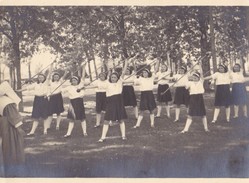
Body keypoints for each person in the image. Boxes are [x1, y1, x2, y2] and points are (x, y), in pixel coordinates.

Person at [98, 59, 130, 142]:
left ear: (117, 78)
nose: (113, 78)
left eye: (115, 77)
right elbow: (108, 72)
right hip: (110, 102)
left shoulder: (120, 82)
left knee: (121, 120)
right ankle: (102, 137)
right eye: (112, 77)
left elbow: (123, 72)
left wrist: (126, 62)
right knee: (106, 120)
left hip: (119, 102)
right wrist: (107, 65)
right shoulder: (107, 83)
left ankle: (123, 136)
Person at [16, 63, 53, 135]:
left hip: (44, 99)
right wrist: (19, 90)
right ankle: (32, 131)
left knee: (45, 116)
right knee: (36, 116)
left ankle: (45, 130)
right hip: (37, 100)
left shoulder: (46, 83)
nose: (40, 78)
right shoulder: (35, 84)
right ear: (38, 78)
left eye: (42, 77)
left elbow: (49, 75)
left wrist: (51, 65)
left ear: (44, 78)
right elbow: (27, 88)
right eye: (39, 77)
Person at [0, 81, 25, 176]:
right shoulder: (7, 102)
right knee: (12, 146)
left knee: (5, 147)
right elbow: (14, 117)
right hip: (10, 126)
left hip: (3, 125)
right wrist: (20, 129)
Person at [180, 64, 209, 133]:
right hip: (192, 98)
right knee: (190, 114)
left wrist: (200, 66)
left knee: (203, 114)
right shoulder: (190, 83)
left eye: (196, 77)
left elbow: (201, 74)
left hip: (199, 98)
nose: (194, 78)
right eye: (193, 77)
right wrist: (187, 77)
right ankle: (185, 129)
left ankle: (206, 128)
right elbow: (186, 85)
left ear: (198, 78)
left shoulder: (201, 82)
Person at [62, 62, 88, 138]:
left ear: (77, 81)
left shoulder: (80, 85)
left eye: (75, 80)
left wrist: (83, 67)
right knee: (71, 119)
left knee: (82, 118)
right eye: (73, 80)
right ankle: (68, 133)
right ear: (71, 81)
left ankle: (85, 132)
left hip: (79, 102)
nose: (74, 81)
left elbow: (83, 77)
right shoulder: (69, 87)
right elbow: (61, 90)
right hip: (72, 103)